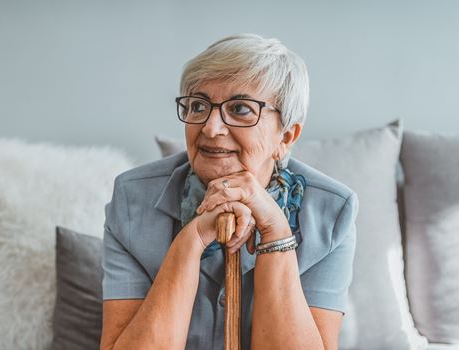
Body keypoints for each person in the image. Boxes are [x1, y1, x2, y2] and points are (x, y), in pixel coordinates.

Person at [99, 33, 359, 350]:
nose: (210, 128)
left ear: (286, 137)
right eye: (198, 106)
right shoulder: (132, 199)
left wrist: (275, 231)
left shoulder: (331, 212)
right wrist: (192, 239)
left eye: (240, 108)